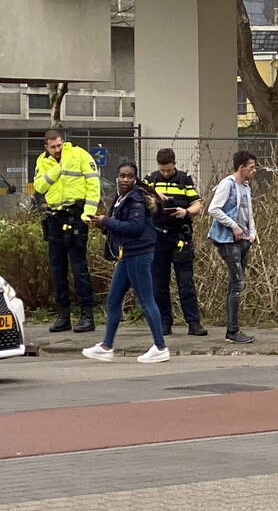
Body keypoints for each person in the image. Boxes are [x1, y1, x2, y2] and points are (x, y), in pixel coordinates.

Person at [81, 163, 170, 363]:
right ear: (117, 177)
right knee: (113, 299)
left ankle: (160, 346)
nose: (125, 179)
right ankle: (106, 346)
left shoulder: (136, 199)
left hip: (138, 253)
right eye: (122, 176)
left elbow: (135, 227)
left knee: (147, 300)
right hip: (126, 254)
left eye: (130, 176)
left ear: (135, 178)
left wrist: (105, 221)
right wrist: (102, 223)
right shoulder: (121, 197)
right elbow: (116, 222)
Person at [33, 128, 100, 333]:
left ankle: (87, 315)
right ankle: (63, 316)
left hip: (76, 215)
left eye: (59, 145)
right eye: (52, 147)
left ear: (64, 142)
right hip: (55, 217)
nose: (57, 149)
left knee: (79, 267)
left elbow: (93, 184)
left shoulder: (79, 154)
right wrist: (57, 169)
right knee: (57, 268)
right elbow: (39, 187)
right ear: (46, 147)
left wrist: (87, 214)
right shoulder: (42, 161)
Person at [143, 148, 207, 336]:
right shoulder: (150, 180)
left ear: (174, 165)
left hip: (179, 236)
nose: (165, 173)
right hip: (157, 237)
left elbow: (198, 205)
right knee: (159, 282)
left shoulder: (184, 179)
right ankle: (164, 322)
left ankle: (193, 322)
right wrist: (154, 199)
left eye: (168, 170)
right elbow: (141, 201)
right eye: (162, 170)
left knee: (185, 282)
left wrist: (185, 212)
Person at [208, 151, 258, 344]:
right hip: (228, 240)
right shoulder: (227, 184)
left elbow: (248, 211)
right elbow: (214, 209)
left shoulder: (245, 186)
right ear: (241, 167)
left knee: (235, 283)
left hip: (244, 239)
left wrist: (252, 233)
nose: (254, 170)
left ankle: (232, 327)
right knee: (237, 283)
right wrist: (233, 225)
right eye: (251, 167)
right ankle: (233, 331)